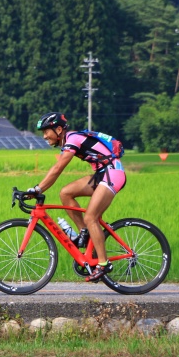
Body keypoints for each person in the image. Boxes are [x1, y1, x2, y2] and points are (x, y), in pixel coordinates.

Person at [26, 112, 126, 282]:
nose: (44, 136)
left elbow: (58, 168)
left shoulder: (72, 139)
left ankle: (103, 264)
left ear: (58, 129)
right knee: (65, 193)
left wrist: (38, 189)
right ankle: (84, 233)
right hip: (101, 174)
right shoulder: (69, 140)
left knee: (91, 217)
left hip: (112, 173)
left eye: (46, 132)